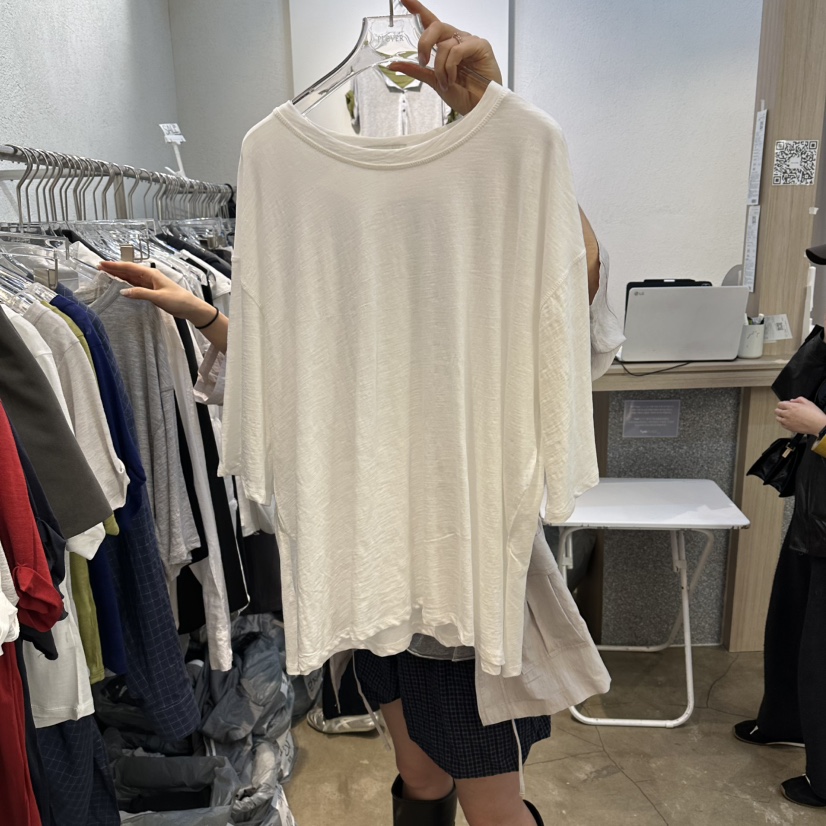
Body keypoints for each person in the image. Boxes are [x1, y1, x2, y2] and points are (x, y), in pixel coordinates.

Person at [100, 2, 622, 823]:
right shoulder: (285, 167)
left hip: (468, 569)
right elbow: (309, 368)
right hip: (369, 564)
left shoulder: (510, 162)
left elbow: (572, 292)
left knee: (492, 804)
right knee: (419, 777)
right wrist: (204, 315)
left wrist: (487, 111)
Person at [733, 324, 826, 809]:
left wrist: (824, 428)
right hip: (815, 510)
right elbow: (791, 390)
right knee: (789, 625)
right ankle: (784, 721)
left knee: (821, 651)